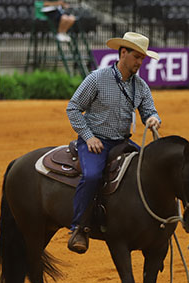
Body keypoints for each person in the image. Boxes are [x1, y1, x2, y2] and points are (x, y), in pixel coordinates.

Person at [66, 31, 161, 253]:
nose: (140, 62)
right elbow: (73, 108)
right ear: (123, 53)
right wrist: (89, 137)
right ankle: (79, 227)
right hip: (95, 141)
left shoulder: (141, 86)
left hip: (122, 142)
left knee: (149, 171)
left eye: (142, 59)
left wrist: (153, 118)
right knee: (91, 176)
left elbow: (149, 111)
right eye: (136, 57)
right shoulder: (97, 78)